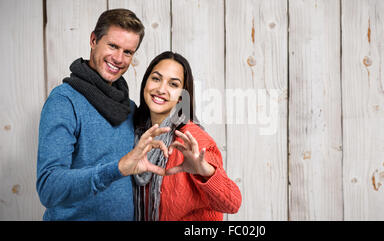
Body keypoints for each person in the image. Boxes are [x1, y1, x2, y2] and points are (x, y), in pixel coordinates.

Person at [36, 9, 170, 220]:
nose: (118, 58)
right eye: (113, 46)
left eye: (128, 52)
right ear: (93, 40)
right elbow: (49, 187)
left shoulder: (129, 108)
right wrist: (116, 169)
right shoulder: (64, 101)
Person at [132, 51, 242, 221]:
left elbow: (232, 204)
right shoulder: (134, 133)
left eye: (173, 84)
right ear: (145, 82)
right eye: (156, 78)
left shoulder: (192, 139)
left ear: (182, 96)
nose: (161, 89)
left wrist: (204, 171)